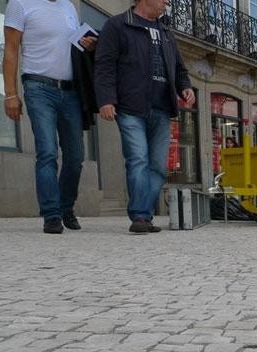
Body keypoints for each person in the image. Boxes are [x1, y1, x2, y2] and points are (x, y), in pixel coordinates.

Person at [94, 0, 195, 234]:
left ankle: (144, 214)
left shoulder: (166, 33)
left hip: (161, 108)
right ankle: (140, 215)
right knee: (138, 159)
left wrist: (185, 87)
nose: (167, 2)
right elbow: (104, 65)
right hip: (130, 107)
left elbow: (179, 69)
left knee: (158, 167)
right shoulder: (118, 25)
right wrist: (106, 99)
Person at [3, 0, 97, 234]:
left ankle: (66, 207)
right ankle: (51, 214)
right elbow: (11, 50)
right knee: (47, 152)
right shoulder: (20, 4)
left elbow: (71, 46)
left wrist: (88, 44)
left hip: (71, 90)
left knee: (75, 156)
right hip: (38, 87)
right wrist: (10, 94)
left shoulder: (69, 7)